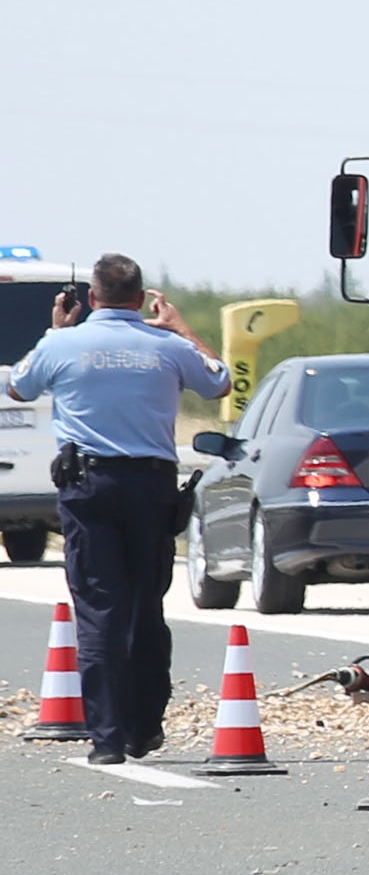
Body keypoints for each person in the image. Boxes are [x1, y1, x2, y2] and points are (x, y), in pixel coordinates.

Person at [2, 255, 227, 762]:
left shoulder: (62, 343)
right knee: (147, 606)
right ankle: (144, 727)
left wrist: (54, 331)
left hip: (88, 487)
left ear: (93, 299)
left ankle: (106, 739)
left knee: (100, 609)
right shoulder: (167, 345)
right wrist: (182, 328)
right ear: (142, 297)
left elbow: (19, 386)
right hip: (150, 487)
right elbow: (219, 382)